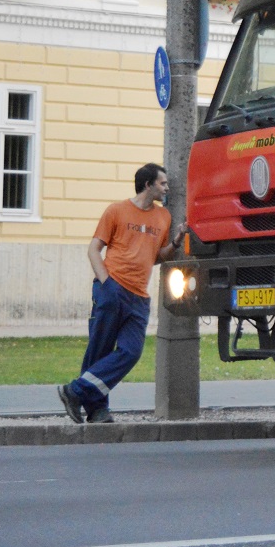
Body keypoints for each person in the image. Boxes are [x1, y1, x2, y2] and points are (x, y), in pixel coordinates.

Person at [57, 164, 182, 424]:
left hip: (139, 297)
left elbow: (156, 256)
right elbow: (93, 250)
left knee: (131, 351)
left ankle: (75, 391)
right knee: (99, 351)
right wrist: (107, 284)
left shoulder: (164, 217)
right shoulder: (116, 210)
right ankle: (98, 412)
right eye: (162, 183)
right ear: (148, 184)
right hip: (112, 289)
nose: (167, 188)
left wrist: (177, 242)